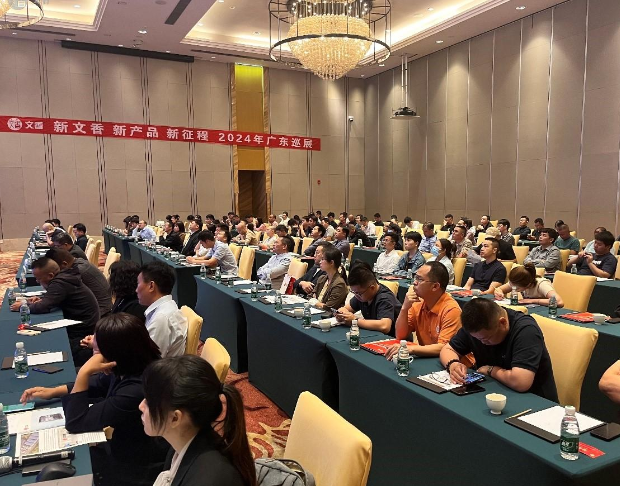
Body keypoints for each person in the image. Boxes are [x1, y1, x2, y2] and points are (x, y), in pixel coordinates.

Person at [21, 313, 169, 486]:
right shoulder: (134, 364)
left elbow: (76, 422)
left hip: (137, 466)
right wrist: (53, 391)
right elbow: (98, 383)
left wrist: (84, 371)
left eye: (97, 351)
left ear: (115, 354)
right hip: (127, 448)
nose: (94, 355)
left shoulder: (135, 390)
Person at [141, 355, 256, 486]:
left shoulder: (211, 478)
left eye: (149, 402)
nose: (140, 406)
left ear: (175, 418)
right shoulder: (184, 439)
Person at [440, 298, 558, 401]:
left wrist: (491, 370)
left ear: (502, 323)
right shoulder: (476, 325)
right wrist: (453, 364)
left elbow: (521, 382)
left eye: (486, 338)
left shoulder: (526, 330)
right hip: (494, 391)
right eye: (477, 339)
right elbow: (448, 349)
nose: (482, 342)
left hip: (535, 400)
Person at [11, 257, 99, 365]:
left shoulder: (60, 283)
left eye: (38, 279)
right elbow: (52, 298)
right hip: (84, 322)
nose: (37, 281)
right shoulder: (64, 277)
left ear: (50, 276)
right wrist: (43, 299)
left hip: (82, 329)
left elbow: (43, 307)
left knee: (50, 345)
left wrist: (23, 306)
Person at [385, 262, 463, 360]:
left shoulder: (451, 310)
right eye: (415, 277)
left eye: (420, 279)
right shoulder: (417, 303)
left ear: (435, 286)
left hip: (457, 363)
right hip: (429, 358)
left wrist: (411, 349)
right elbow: (400, 335)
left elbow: (444, 347)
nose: (414, 282)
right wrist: (404, 308)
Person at [137, 262, 188, 358]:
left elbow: (149, 361)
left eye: (138, 284)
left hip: (161, 367)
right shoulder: (168, 306)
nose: (136, 290)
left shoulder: (161, 318)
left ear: (151, 286)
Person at [336, 262, 402, 336]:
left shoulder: (384, 298)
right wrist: (342, 314)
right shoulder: (363, 294)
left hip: (395, 339)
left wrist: (355, 320)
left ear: (372, 288)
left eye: (358, 293)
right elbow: (346, 308)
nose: (356, 296)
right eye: (354, 292)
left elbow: (385, 326)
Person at [46, 247, 112, 318]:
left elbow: (59, 292)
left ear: (64, 264)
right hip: (99, 308)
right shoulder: (78, 262)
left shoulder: (78, 271)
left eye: (55, 269)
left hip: (101, 313)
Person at [494, 263, 564, 307]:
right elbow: (499, 289)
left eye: (516, 288)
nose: (513, 288)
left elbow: (559, 302)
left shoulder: (542, 284)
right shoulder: (516, 282)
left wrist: (532, 301)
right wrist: (499, 293)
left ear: (528, 285)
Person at [312, 245, 348, 310]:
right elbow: (310, 296)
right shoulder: (322, 278)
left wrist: (315, 302)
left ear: (331, 262)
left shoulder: (339, 284)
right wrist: (316, 302)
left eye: (323, 259)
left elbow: (329, 307)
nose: (320, 262)